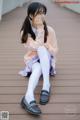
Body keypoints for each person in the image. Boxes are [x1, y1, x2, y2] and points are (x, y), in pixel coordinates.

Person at [19, 2, 58, 115]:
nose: (42, 16)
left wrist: (48, 47)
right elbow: (34, 46)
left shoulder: (50, 30)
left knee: (42, 48)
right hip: (33, 60)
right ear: (31, 15)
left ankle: (42, 87)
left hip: (47, 60)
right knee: (38, 65)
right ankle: (33, 94)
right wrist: (40, 28)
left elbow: (55, 51)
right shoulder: (25, 32)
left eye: (43, 13)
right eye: (38, 13)